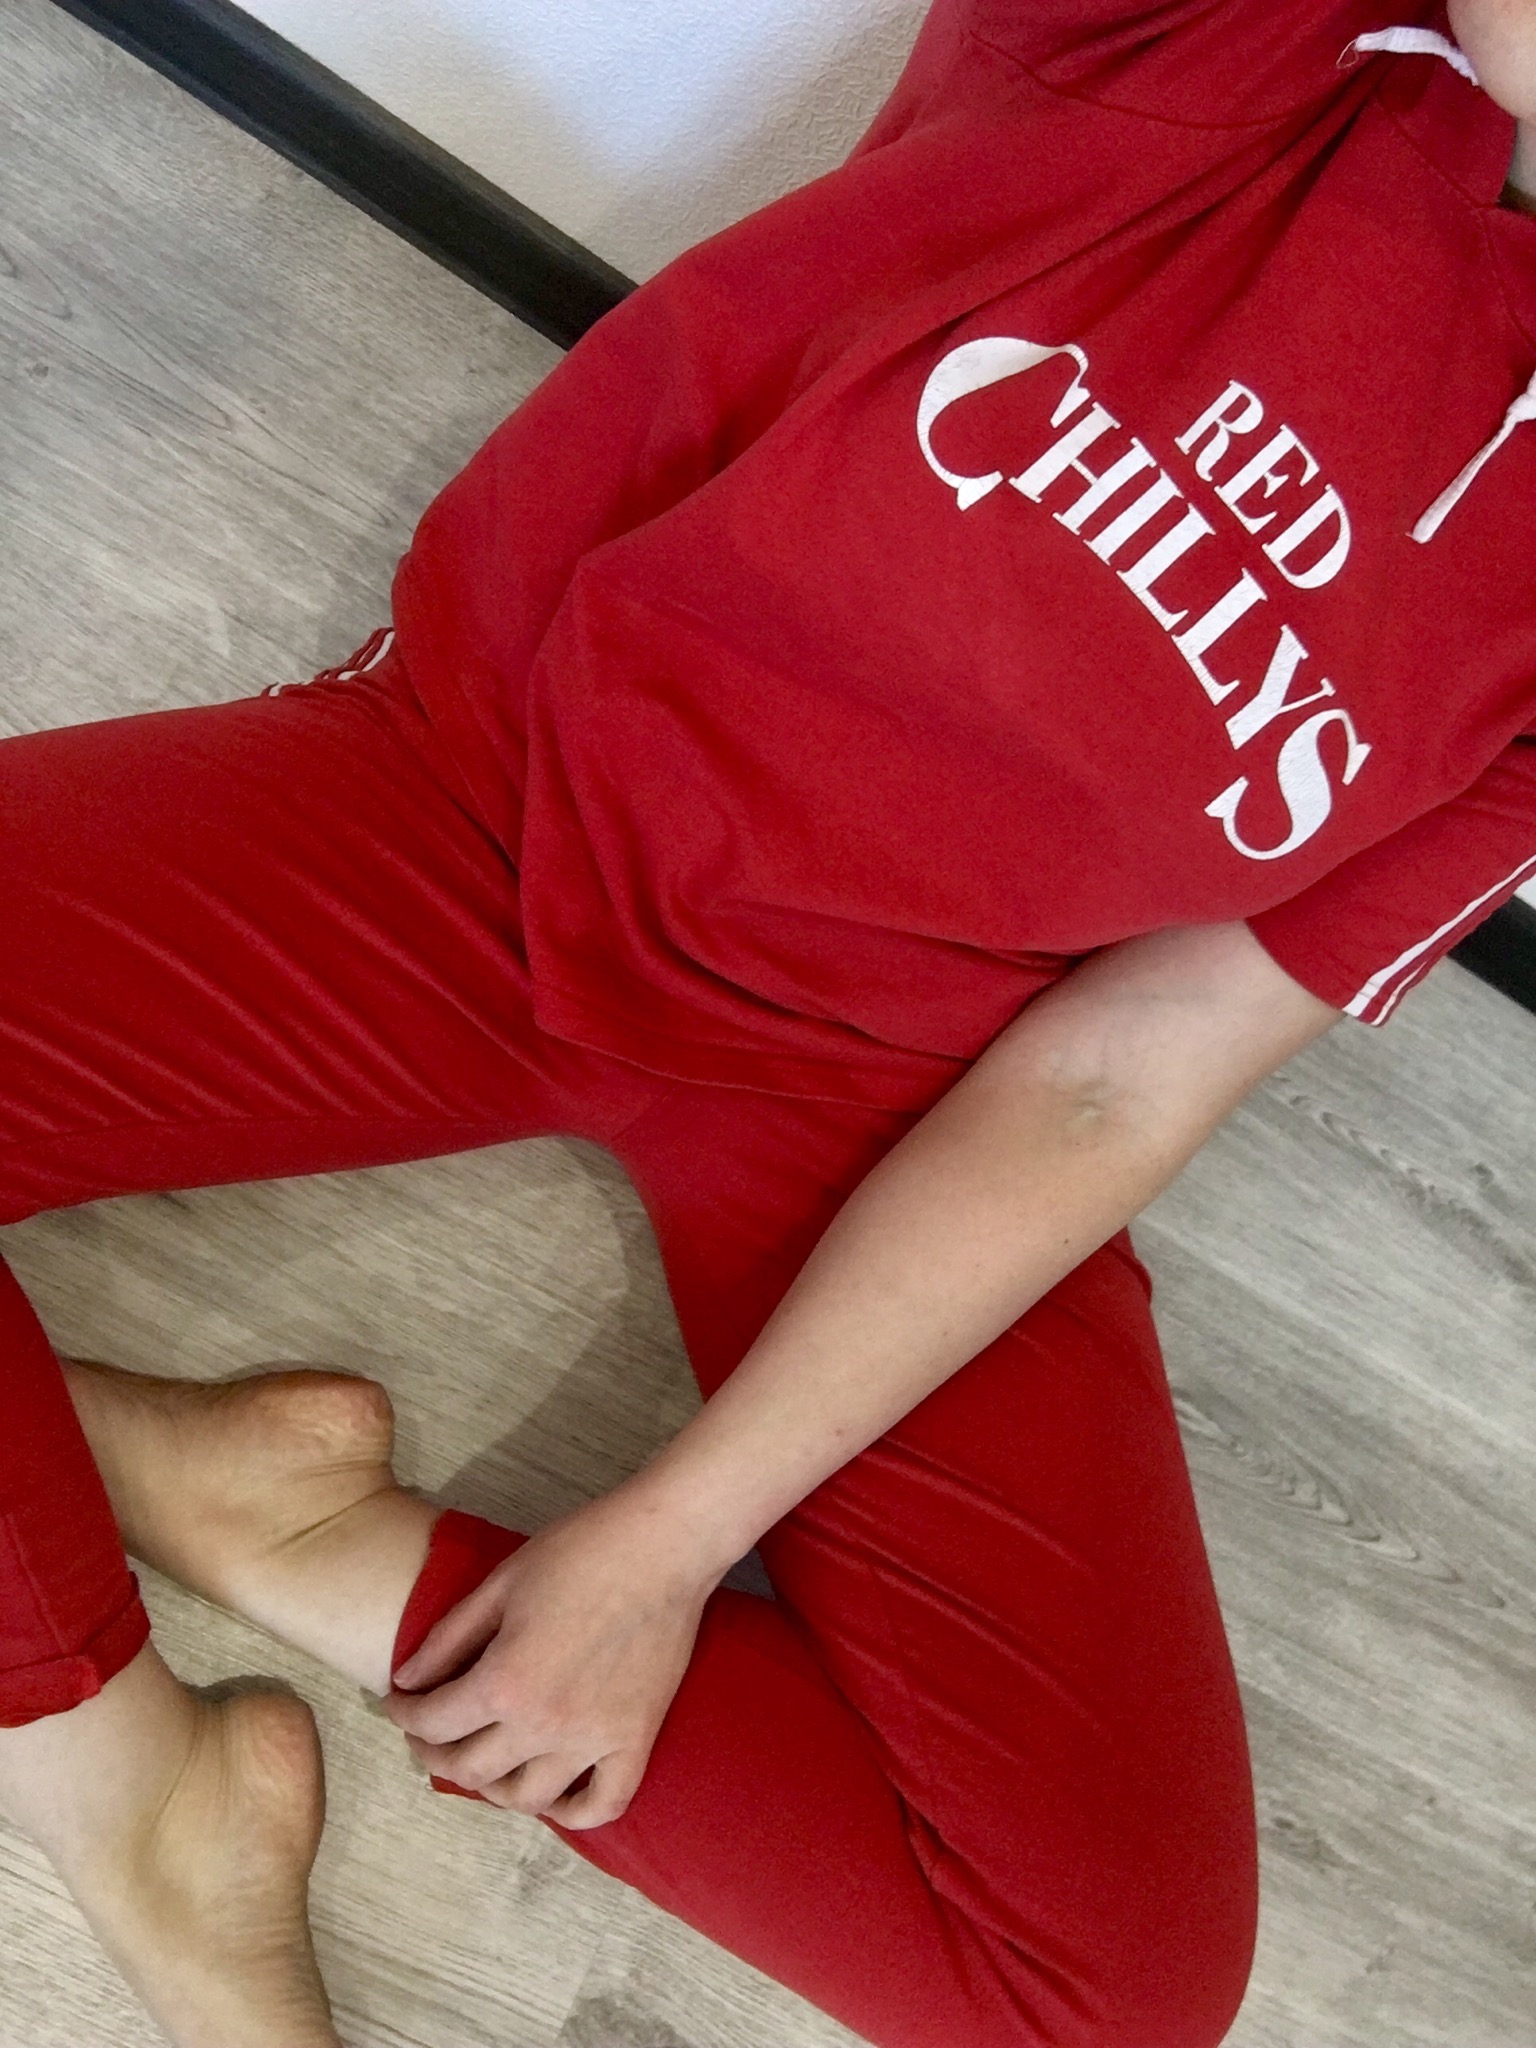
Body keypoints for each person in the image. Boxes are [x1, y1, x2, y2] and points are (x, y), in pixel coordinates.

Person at [2, 4, 1532, 2044]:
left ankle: (274, 1517)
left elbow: (1125, 1070)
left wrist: (668, 1536)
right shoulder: (1247, 41)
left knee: (1098, 1991)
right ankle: (135, 1802)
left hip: (887, 1092)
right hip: (471, 819)